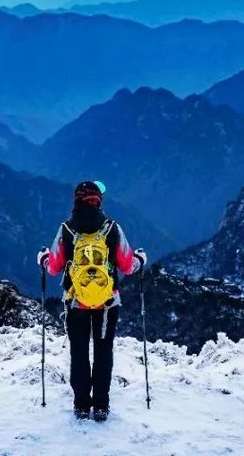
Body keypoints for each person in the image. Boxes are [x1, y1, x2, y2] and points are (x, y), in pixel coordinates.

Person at [37, 180, 147, 422]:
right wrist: (141, 259)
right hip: (107, 304)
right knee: (103, 353)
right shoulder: (111, 229)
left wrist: (43, 259)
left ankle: (81, 406)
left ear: (76, 200)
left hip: (76, 303)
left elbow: (54, 266)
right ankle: (101, 407)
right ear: (99, 201)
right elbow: (128, 265)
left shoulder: (66, 229)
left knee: (78, 353)